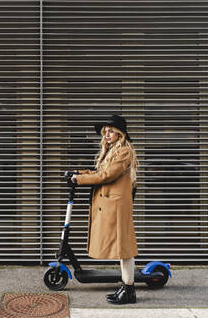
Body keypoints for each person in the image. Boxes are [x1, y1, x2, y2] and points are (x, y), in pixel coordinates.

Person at [70, 114, 139, 305]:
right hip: (112, 206)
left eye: (111, 131)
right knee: (122, 249)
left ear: (119, 133)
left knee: (125, 248)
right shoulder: (111, 151)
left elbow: (107, 176)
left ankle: (129, 290)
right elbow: (100, 172)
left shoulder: (124, 152)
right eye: (105, 132)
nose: (107, 135)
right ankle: (127, 288)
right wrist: (80, 173)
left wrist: (80, 180)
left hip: (117, 207)